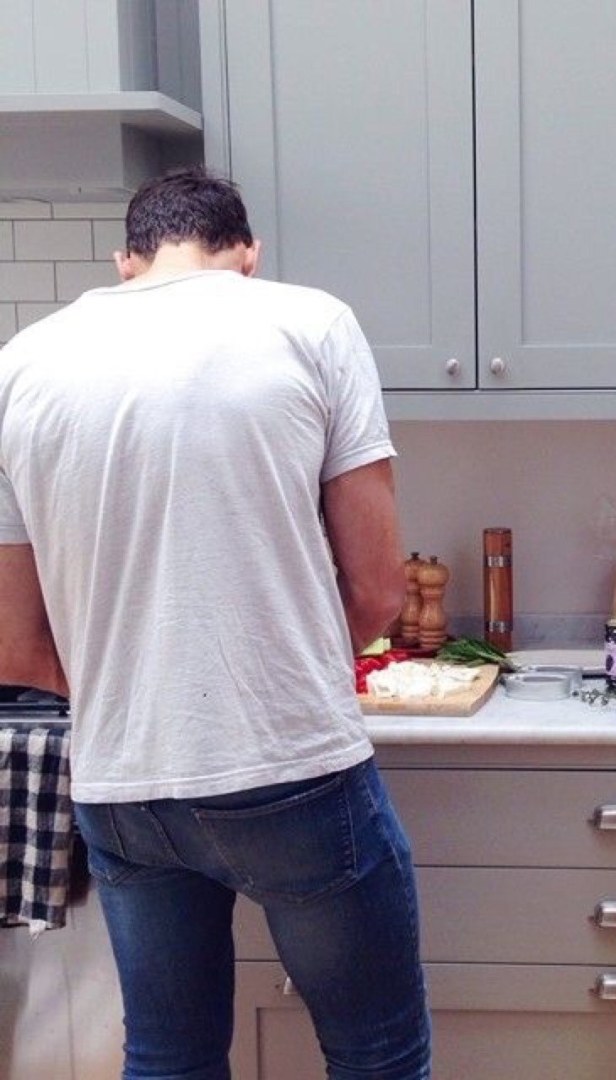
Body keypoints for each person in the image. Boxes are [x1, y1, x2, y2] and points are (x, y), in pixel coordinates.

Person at [0, 166, 431, 1079]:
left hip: (122, 784)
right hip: (289, 766)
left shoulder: (22, 361)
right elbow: (383, 592)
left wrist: (138, 685)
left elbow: (15, 643)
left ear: (127, 262)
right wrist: (275, 664)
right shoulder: (307, 319)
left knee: (170, 1057)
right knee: (376, 1056)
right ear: (247, 256)